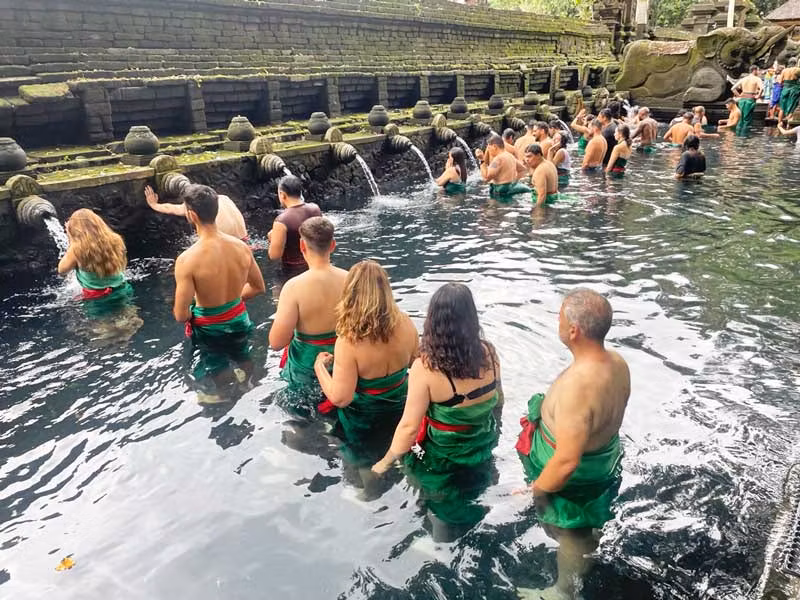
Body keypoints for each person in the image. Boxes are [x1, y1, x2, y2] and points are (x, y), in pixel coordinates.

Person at [515, 289, 630, 600]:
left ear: (574, 331)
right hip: (603, 461)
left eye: (560, 317)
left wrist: (536, 491)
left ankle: (563, 592)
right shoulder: (618, 363)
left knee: (571, 530)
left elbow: (566, 461)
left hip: (575, 477)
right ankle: (587, 546)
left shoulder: (578, 387)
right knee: (586, 527)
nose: (558, 322)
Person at [371, 283, 502, 541]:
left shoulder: (426, 369)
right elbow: (499, 402)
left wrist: (384, 462)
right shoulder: (490, 353)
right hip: (481, 445)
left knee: (432, 492)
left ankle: (439, 542)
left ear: (434, 322)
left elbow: (409, 428)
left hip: (444, 458)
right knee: (471, 493)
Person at [314, 260, 419, 445]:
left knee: (362, 467)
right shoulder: (406, 323)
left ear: (350, 294)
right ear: (386, 290)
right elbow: (415, 363)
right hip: (400, 408)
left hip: (365, 419)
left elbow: (341, 398)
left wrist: (319, 367)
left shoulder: (348, 342)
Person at [174, 184, 266, 396]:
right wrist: (232, 301)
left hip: (210, 329)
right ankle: (249, 387)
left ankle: (227, 398)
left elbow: (181, 315)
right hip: (239, 319)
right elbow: (258, 287)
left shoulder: (187, 260)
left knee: (217, 366)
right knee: (244, 356)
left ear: (192, 215)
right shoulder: (242, 247)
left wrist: (206, 309)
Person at [269, 217, 348, 387]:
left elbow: (276, 343)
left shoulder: (293, 287)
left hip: (307, 365)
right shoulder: (351, 279)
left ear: (302, 246)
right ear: (333, 245)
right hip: (346, 360)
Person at [58, 208, 132, 306]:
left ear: (75, 230)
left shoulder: (77, 249)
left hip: (97, 299)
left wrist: (71, 240)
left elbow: (62, 270)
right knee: (129, 317)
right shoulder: (116, 240)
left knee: (103, 321)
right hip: (122, 289)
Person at [144, 185, 249, 242]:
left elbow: (172, 209)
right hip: (245, 241)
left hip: (227, 247)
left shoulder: (195, 208)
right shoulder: (223, 198)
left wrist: (154, 205)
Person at [267, 175, 322, 272]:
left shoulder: (282, 220)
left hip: (291, 271)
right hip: (315, 265)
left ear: (282, 194)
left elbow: (274, 255)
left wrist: (272, 238)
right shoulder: (315, 209)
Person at [476, 134, 529, 200]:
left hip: (501, 192)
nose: (489, 150)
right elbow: (523, 169)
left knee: (491, 209)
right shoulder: (510, 156)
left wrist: (481, 160)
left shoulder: (498, 159)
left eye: (489, 148)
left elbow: (486, 178)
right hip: (510, 189)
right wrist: (514, 182)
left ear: (494, 147)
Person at [732, 65, 763, 132]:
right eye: (758, 70)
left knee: (740, 118)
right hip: (750, 100)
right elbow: (762, 88)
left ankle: (738, 135)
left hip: (742, 100)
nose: (758, 72)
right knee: (747, 119)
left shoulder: (743, 79)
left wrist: (739, 96)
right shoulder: (757, 79)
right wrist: (758, 96)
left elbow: (733, 89)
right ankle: (745, 136)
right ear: (754, 70)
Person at [778, 57, 800, 126]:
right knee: (792, 107)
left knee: (782, 108)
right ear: (795, 63)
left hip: (785, 89)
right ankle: (788, 125)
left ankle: (779, 124)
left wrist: (784, 86)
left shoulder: (784, 70)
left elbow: (780, 82)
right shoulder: (797, 69)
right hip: (794, 89)